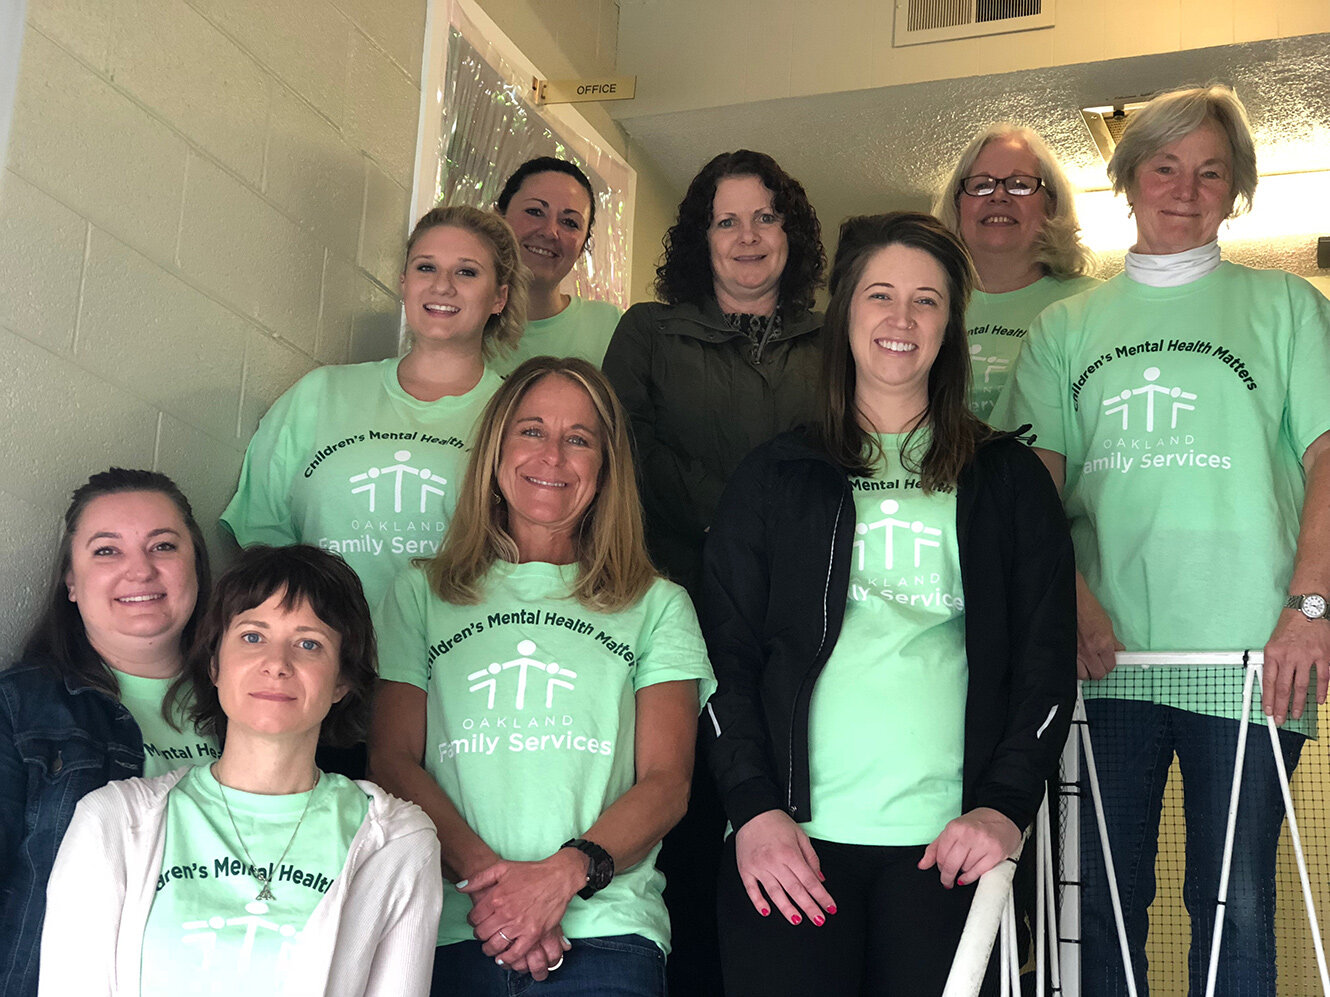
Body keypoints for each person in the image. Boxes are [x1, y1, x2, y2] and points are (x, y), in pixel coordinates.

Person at [992, 84, 1330, 996]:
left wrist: (1310, 609)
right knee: (1100, 898)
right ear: (1129, 179)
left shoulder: (1289, 307)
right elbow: (1032, 494)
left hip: (1256, 661)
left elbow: (1328, 460)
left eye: (1212, 171)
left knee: (1237, 902)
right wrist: (1073, 603)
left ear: (1237, 190)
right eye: (1165, 166)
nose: (1186, 187)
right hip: (1110, 663)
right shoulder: (1068, 327)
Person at [703, 212, 1076, 997]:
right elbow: (722, 658)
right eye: (880, 295)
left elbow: (1045, 666)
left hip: (947, 851)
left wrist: (1004, 811)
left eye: (927, 300)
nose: (901, 319)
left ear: (951, 326)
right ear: (845, 315)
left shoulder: (1006, 482)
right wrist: (754, 808)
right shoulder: (776, 476)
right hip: (791, 849)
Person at [370, 356, 715, 996]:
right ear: (496, 452)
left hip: (607, 935)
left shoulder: (657, 604)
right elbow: (392, 763)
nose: (552, 456)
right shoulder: (420, 594)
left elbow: (668, 784)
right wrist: (502, 894)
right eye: (532, 431)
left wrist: (558, 879)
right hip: (449, 926)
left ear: (606, 468)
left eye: (579, 439)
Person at [603, 151, 825, 992]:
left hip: (805, 620)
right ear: (701, 238)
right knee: (691, 822)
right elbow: (625, 450)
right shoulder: (649, 331)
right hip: (680, 611)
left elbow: (845, 456)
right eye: (725, 220)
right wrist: (736, 526)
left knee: (791, 815)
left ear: (790, 232)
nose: (746, 236)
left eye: (764, 217)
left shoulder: (832, 337)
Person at [40, 544, 443, 997]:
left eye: (309, 644)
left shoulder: (397, 841)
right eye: (253, 636)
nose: (277, 664)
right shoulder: (113, 820)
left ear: (342, 681)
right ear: (215, 664)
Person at [222, 204, 529, 611]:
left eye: (467, 272)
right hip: (325, 656)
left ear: (499, 297)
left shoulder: (518, 416)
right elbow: (262, 536)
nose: (442, 286)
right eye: (425, 268)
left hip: (456, 662)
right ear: (403, 283)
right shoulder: (320, 393)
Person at [0, 468, 214, 997]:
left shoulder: (261, 701)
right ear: (71, 582)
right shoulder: (18, 706)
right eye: (106, 551)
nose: (139, 570)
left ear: (196, 568)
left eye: (162, 545)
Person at [932, 123, 1099, 420]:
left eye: (1020, 184)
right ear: (958, 204)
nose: (998, 196)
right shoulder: (924, 305)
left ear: (1051, 203)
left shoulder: (1093, 304)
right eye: (981, 184)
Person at [492, 156, 622, 374]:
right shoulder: (463, 318)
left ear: (582, 247)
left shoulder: (611, 327)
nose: (550, 231)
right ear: (498, 220)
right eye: (534, 211)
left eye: (570, 223)